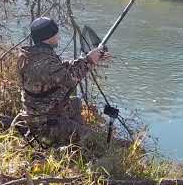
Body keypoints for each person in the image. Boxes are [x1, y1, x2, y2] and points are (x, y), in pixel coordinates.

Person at [14, 17, 111, 145]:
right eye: (56, 34)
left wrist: (92, 58)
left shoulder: (33, 55)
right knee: (96, 141)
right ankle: (69, 143)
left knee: (75, 102)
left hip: (41, 111)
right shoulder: (44, 64)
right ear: (48, 37)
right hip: (44, 124)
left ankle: (75, 132)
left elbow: (62, 68)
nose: (58, 37)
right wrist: (89, 60)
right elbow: (69, 78)